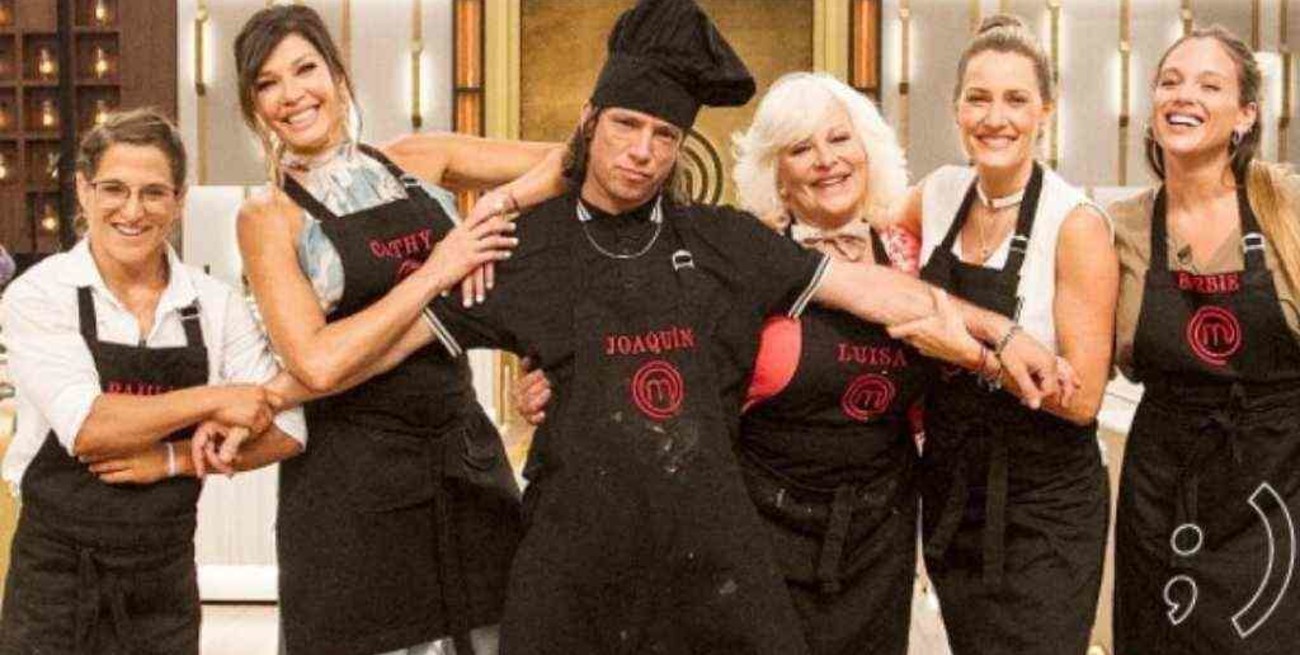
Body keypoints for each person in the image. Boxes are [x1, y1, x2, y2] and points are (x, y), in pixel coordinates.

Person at [420, 1, 1063, 652]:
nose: (642, 151)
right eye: (626, 124)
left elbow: (880, 293)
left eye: (664, 134)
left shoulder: (727, 242)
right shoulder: (518, 246)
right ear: (588, 123)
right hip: (578, 564)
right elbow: (396, 349)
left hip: (735, 559)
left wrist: (1001, 336)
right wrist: (467, 257)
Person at [231, 6, 562, 654]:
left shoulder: (418, 157)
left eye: (305, 69)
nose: (292, 94)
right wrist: (440, 269)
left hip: (463, 460)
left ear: (337, 74)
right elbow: (317, 363)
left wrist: (499, 205)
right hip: (351, 489)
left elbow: (573, 163)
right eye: (268, 83)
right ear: (254, 106)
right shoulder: (267, 215)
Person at [0, 109, 306, 654]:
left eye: (154, 193)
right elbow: (90, 428)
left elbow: (288, 430)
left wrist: (173, 459)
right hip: (55, 583)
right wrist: (217, 398)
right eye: (114, 189)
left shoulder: (215, 305)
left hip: (163, 584)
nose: (133, 210)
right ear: (84, 190)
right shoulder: (40, 294)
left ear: (179, 201)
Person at [890, 14, 1116, 655]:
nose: (996, 118)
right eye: (978, 98)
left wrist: (968, 352)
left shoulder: (1074, 224)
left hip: (1045, 503)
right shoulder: (938, 193)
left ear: (1046, 110)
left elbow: (1082, 401)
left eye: (1016, 99)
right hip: (952, 491)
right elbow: (861, 238)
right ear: (956, 108)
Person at [1110, 26, 1300, 654]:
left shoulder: (1288, 208)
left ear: (1246, 114)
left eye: (1209, 85)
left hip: (1279, 488)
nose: (1183, 95)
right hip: (1162, 489)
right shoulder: (1119, 227)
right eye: (1170, 81)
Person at [729, 71, 927, 654]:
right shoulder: (748, 263)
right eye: (800, 148)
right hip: (765, 526)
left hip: (880, 532)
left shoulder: (912, 252)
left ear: (868, 150)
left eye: (840, 139)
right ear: (777, 174)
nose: (826, 161)